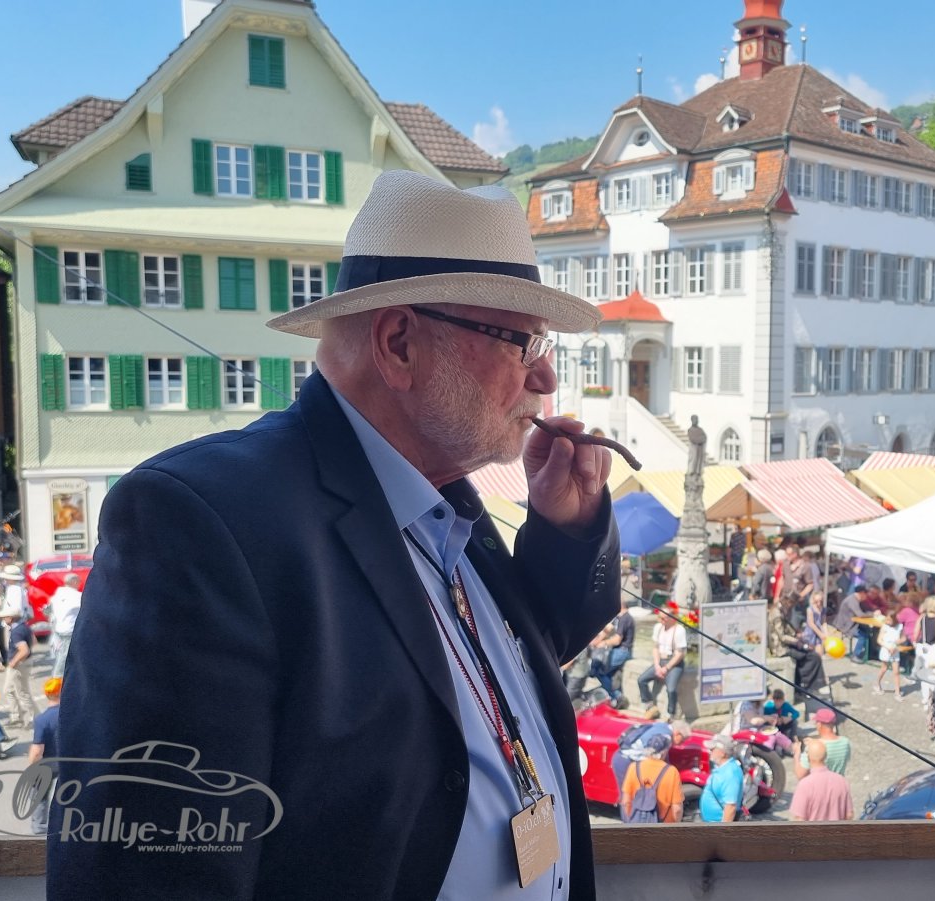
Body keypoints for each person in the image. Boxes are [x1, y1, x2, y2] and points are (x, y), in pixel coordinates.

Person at [50, 173, 621, 900]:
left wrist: (568, 525)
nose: (544, 375)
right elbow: (143, 875)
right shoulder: (200, 519)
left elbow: (517, 663)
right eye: (522, 342)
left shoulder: (447, 499)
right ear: (399, 342)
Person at [619, 733, 684, 824]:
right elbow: (677, 809)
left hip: (635, 825)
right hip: (662, 827)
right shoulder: (672, 772)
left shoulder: (634, 767)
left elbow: (625, 802)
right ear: (664, 751)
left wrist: (631, 820)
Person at [638, 604, 688, 717]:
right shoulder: (658, 627)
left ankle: (671, 714)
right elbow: (655, 648)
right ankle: (649, 704)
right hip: (661, 661)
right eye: (659, 617)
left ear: (671, 618)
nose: (660, 620)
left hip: (674, 663)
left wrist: (666, 668)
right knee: (641, 680)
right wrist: (657, 665)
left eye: (663, 618)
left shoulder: (679, 630)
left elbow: (680, 654)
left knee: (671, 689)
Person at [29, 676, 64, 835]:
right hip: (69, 761)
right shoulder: (72, 714)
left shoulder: (42, 720)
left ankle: (39, 827)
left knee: (39, 794)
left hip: (49, 762)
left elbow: (37, 750)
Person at [788, 739, 853, 822]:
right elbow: (849, 815)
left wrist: (797, 756)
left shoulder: (805, 785)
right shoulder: (841, 781)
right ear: (825, 756)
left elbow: (799, 819)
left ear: (808, 757)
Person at [0, 605, 40, 730]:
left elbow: (24, 650)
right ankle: (16, 717)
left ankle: (36, 718)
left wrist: (13, 663)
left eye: (5, 617)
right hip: (23, 663)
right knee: (8, 690)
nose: (3, 619)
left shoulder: (16, 631)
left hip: (18, 665)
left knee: (23, 692)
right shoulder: (24, 626)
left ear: (10, 618)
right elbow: (34, 641)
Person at [588, 606, 634, 709]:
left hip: (622, 651)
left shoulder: (625, 618)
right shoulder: (619, 617)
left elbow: (617, 640)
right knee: (606, 673)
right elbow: (608, 630)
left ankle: (617, 696)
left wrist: (603, 643)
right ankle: (615, 695)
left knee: (600, 672)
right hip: (616, 650)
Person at [794, 707, 850, 778]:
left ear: (819, 724)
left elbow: (800, 774)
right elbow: (830, 746)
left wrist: (797, 755)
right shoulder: (845, 742)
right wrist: (814, 742)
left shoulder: (811, 749)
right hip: (838, 782)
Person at [698, 736, 743, 823]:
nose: (710, 751)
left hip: (717, 825)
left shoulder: (730, 773)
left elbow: (730, 807)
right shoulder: (723, 768)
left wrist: (723, 830)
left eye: (713, 749)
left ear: (722, 753)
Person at [46, 574, 83, 678]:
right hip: (70, 629)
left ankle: (64, 676)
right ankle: (57, 678)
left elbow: (48, 611)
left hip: (58, 629)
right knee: (64, 655)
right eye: (79, 582)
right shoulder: (77, 596)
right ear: (74, 582)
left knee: (61, 654)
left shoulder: (57, 595)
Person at [874, 608, 904, 699]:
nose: (888, 621)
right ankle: (877, 683)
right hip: (886, 649)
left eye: (889, 620)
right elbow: (879, 640)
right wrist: (888, 647)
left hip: (894, 649)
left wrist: (897, 643)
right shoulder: (885, 626)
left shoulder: (899, 626)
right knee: (884, 668)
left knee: (896, 671)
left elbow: (903, 638)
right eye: (887, 619)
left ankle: (897, 692)